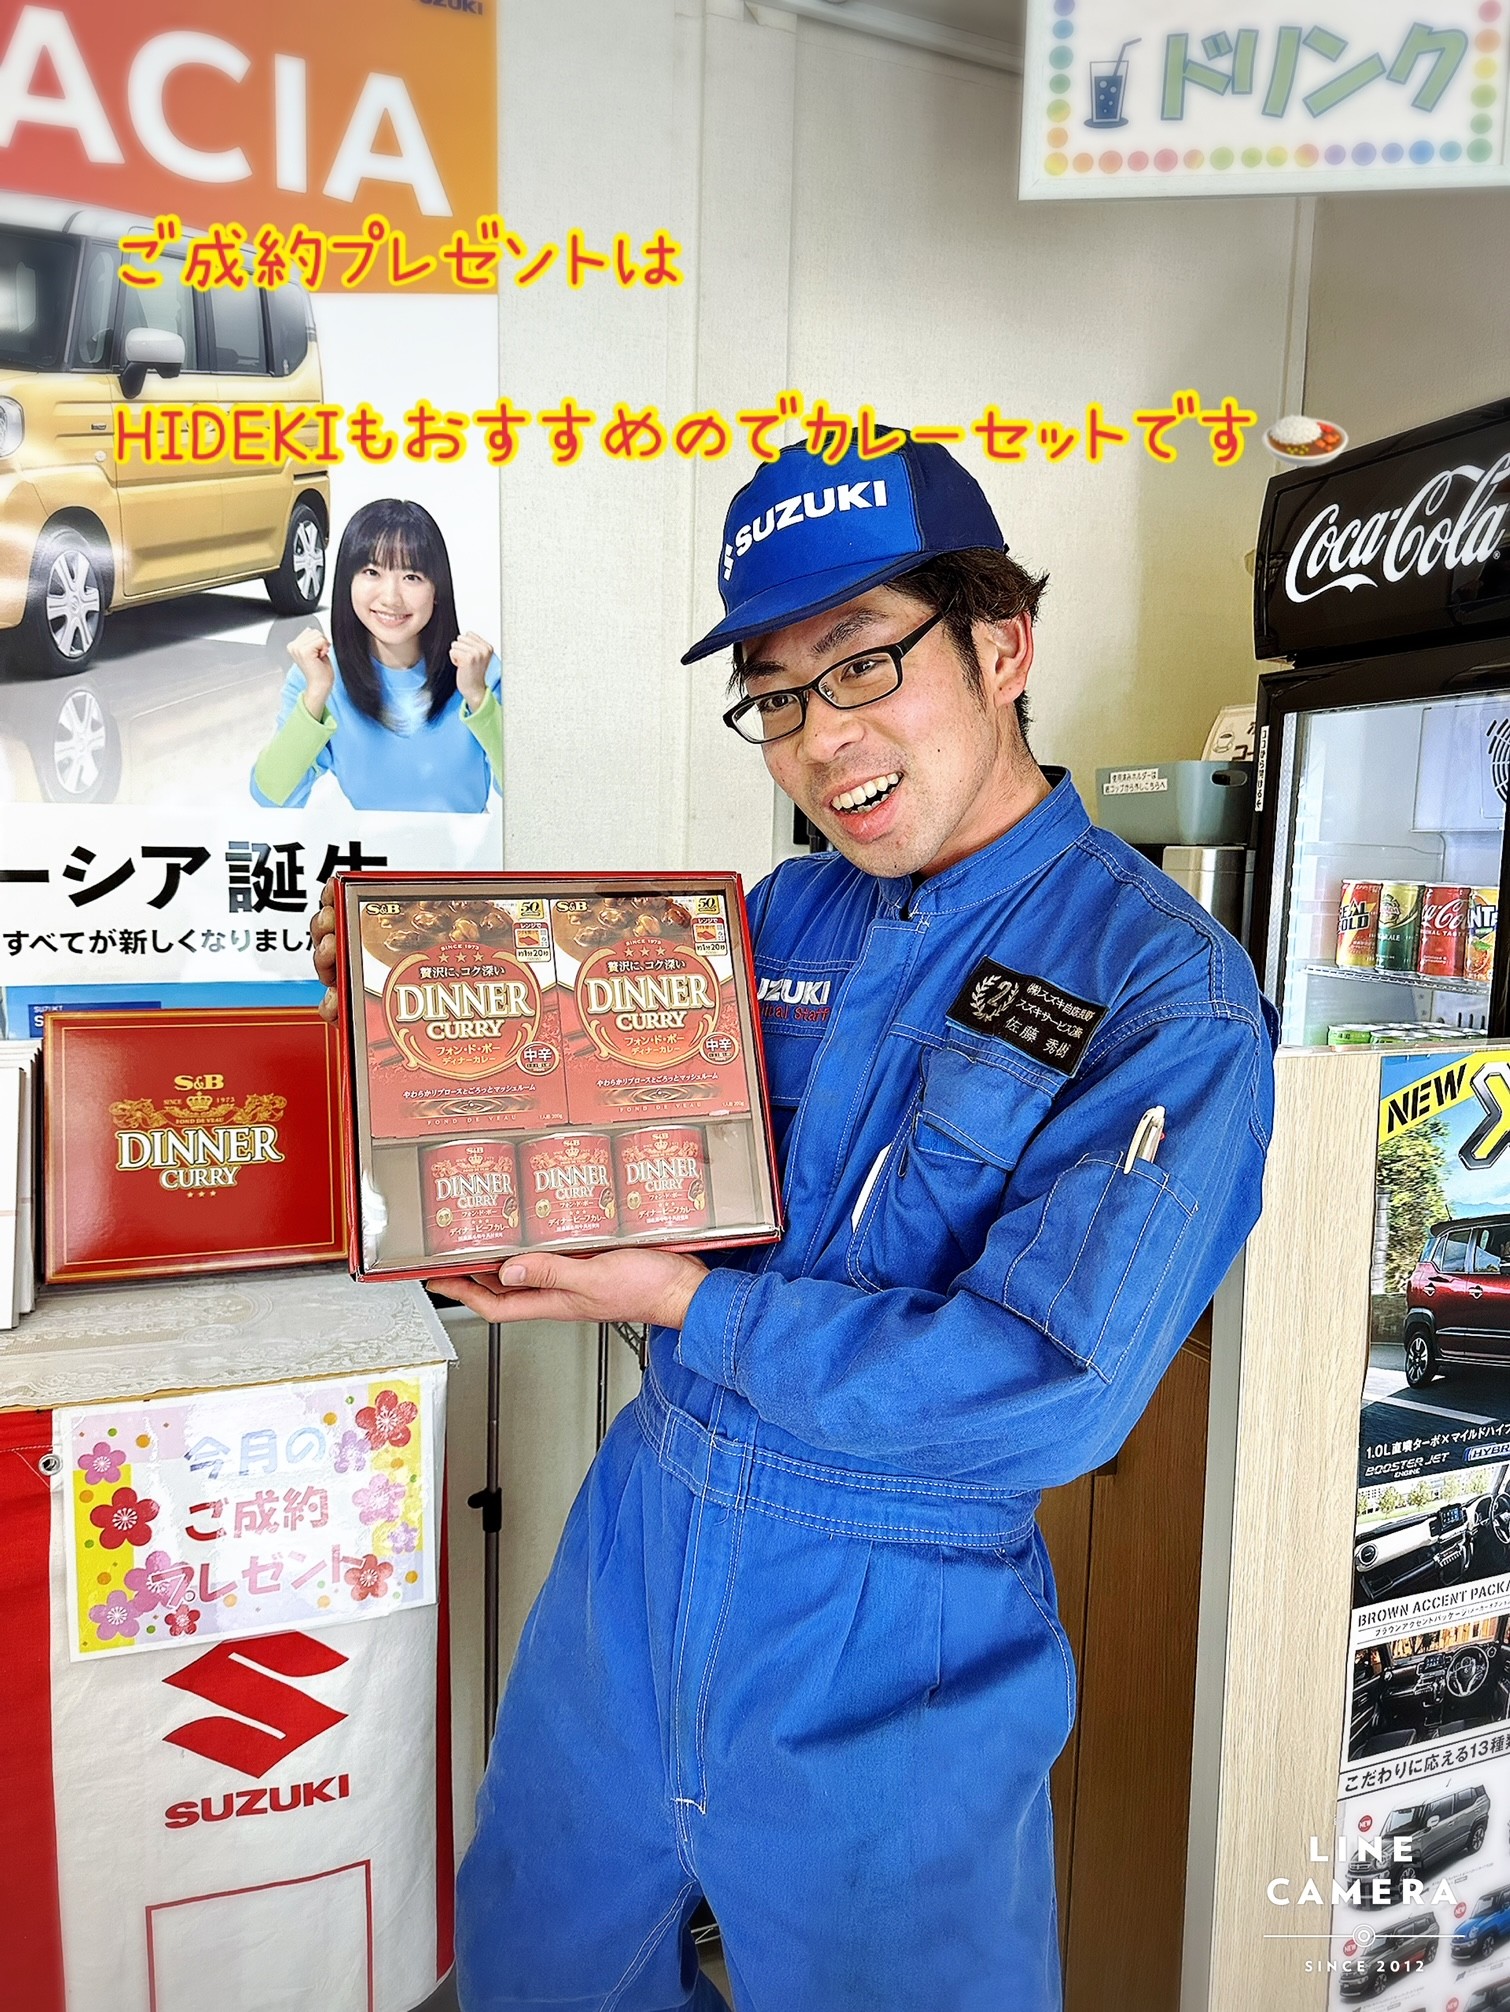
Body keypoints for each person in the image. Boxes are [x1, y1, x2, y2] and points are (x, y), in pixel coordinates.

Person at [313, 433, 1277, 2011]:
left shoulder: (1162, 991)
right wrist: (412, 1014)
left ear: (1003, 647)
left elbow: (1048, 1387)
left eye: (862, 664)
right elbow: (612, 1134)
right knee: (541, 1965)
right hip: (637, 1554)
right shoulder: (771, 919)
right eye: (774, 696)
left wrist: (686, 1307)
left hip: (899, 1626)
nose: (822, 739)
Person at [252, 496, 501, 813]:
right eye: (371, 572)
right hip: (369, 846)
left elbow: (531, 796)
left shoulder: (478, 671)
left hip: (466, 847)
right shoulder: (319, 675)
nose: (391, 598)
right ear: (347, 582)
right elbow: (271, 796)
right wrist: (315, 695)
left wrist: (478, 698)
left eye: (412, 577)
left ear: (437, 590)